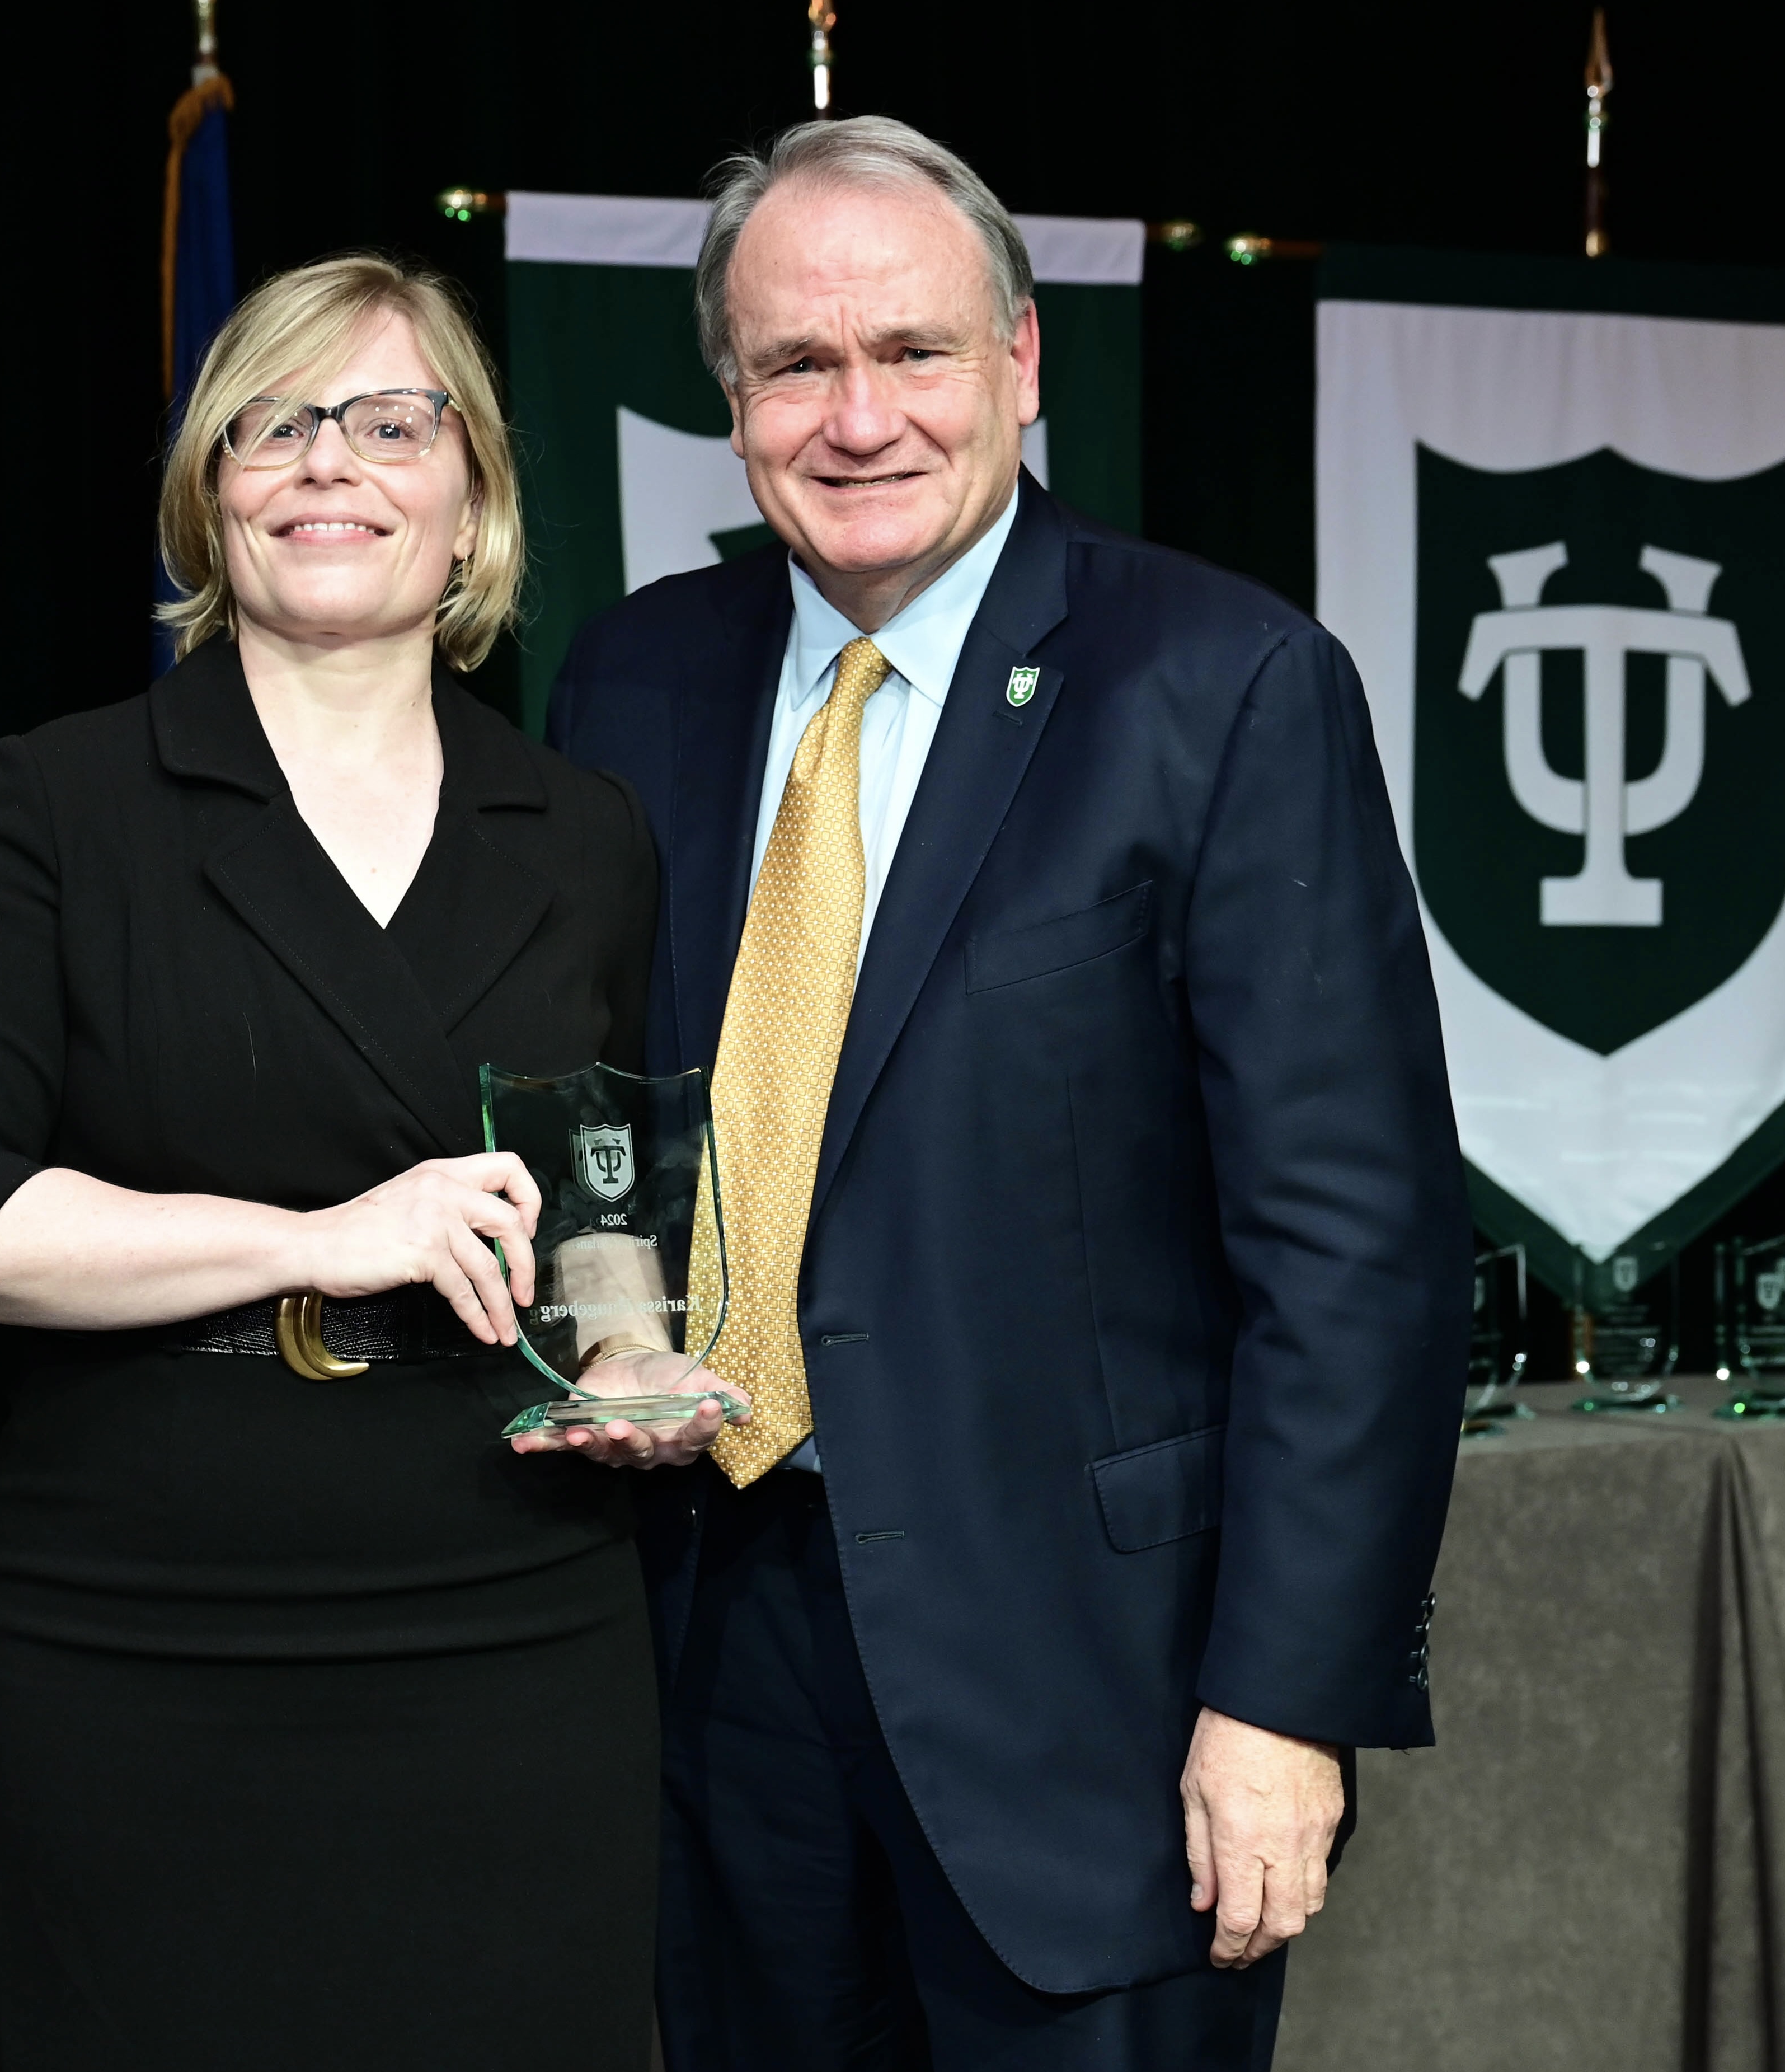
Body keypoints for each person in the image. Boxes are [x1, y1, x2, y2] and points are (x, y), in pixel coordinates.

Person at [545, 117, 1469, 2070]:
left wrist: (1284, 1706)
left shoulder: (1221, 686)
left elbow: (1358, 1257)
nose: (856, 415)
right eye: (798, 364)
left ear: (1025, 364)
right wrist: (609, 1322)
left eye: (916, 354)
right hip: (721, 1659)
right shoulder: (632, 685)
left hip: (1099, 1701)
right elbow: (606, 1104)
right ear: (732, 401)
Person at [0, 254, 731, 2072]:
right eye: (280, 422)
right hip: (145, 1636)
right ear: (213, 487)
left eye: (393, 422)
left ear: (472, 492)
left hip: (514, 1628)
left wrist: (629, 1359)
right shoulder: (62, 802)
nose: (334, 463)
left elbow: (595, 1204)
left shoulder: (585, 833)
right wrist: (322, 1235)